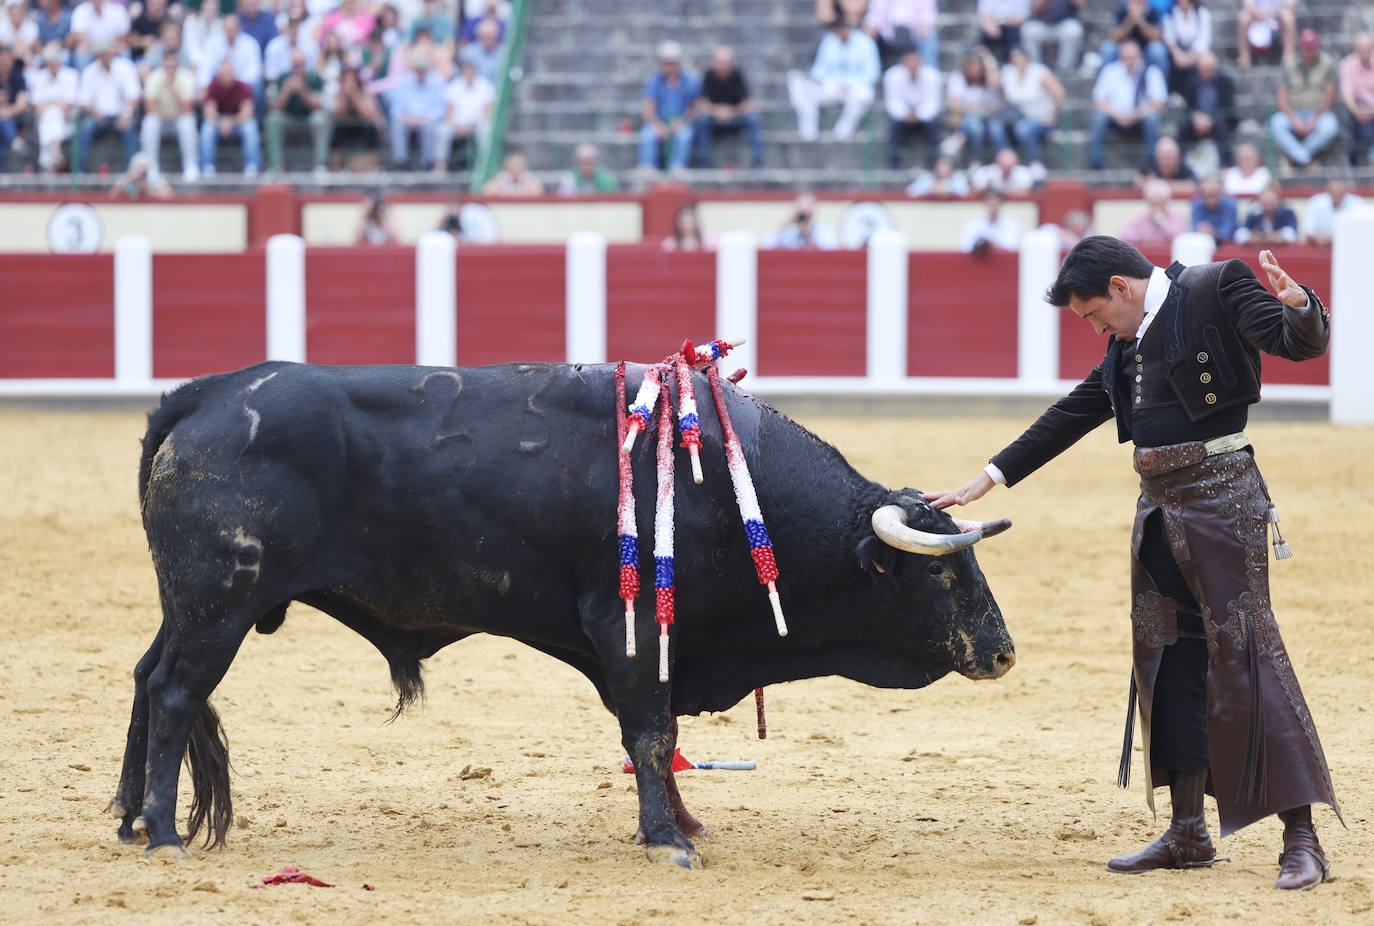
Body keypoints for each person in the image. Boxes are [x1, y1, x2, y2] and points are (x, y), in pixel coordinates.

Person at [926, 234, 1339, 892]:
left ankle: (1302, 838)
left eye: (1093, 314)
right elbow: (1075, 411)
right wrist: (987, 478)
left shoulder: (1217, 285)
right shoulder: (1126, 342)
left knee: (1247, 652)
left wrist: (1302, 308)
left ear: (1120, 287)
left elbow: (1296, 342)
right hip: (1158, 507)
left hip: (1223, 500)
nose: (1095, 327)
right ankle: (1188, 832)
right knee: (1167, 658)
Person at [787, 16, 880, 141]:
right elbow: (818, 69)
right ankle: (808, 134)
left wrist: (850, 83)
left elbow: (872, 72)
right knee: (798, 84)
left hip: (855, 88)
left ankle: (842, 132)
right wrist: (833, 82)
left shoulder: (865, 42)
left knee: (864, 95)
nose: (838, 34)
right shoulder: (829, 41)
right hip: (831, 87)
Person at [1267, 29, 1339, 171]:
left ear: (1318, 46)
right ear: (1301, 47)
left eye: (1312, 47)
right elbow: (1281, 96)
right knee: (1275, 124)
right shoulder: (1289, 63)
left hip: (1318, 113)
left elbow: (1330, 94)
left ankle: (1294, 159)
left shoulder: (1327, 63)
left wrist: (1314, 118)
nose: (1309, 50)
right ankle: (1306, 161)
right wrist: (1294, 119)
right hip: (1293, 112)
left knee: (1330, 126)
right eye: (1306, 47)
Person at [1089, 39, 1166, 171]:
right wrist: (1117, 114)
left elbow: (1158, 103)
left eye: (1132, 58)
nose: (1129, 61)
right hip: (1114, 116)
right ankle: (1095, 164)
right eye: (1125, 58)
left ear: (1140, 57)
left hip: (1140, 117)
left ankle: (1152, 164)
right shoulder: (1110, 71)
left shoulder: (1151, 72)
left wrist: (1135, 115)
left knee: (1153, 119)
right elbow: (1099, 100)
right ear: (1120, 57)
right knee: (1098, 117)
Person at [75, 39, 140, 173]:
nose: (104, 56)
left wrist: (126, 115)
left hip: (122, 116)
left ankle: (131, 175)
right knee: (86, 127)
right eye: (101, 54)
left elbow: (134, 96)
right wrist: (95, 112)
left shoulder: (125, 68)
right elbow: (84, 100)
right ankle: (80, 174)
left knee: (129, 129)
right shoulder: (90, 71)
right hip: (98, 118)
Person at [693, 44, 763, 168]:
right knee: (701, 120)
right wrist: (717, 111)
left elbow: (747, 103)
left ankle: (757, 162)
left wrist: (731, 112)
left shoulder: (737, 75)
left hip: (735, 118)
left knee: (754, 119)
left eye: (726, 63)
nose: (723, 67)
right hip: (714, 118)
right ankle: (704, 162)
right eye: (721, 63)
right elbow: (702, 102)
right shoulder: (709, 76)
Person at [999, 43, 1063, 177]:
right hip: (1019, 116)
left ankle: (1036, 162)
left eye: (1019, 56)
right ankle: (1005, 160)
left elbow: (1059, 93)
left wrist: (1052, 116)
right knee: (996, 125)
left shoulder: (1038, 72)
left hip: (1041, 117)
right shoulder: (1008, 72)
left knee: (1023, 128)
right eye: (1014, 57)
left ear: (1026, 57)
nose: (1016, 60)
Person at [265, 47, 330, 175]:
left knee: (321, 118)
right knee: (272, 119)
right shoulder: (283, 77)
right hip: (288, 118)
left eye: (300, 64)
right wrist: (285, 92)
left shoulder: (314, 77)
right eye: (295, 65)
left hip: (309, 118)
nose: (297, 68)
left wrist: (302, 91)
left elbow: (318, 105)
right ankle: (276, 166)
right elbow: (274, 107)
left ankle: (320, 165)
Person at [140, 47, 198, 182]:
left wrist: (172, 87)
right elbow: (149, 107)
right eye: (168, 65)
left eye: (173, 66)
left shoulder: (186, 77)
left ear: (178, 64)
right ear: (163, 64)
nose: (170, 69)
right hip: (162, 119)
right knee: (150, 122)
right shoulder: (154, 77)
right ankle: (151, 167)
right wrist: (166, 114)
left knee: (187, 122)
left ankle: (190, 166)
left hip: (179, 119)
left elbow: (187, 108)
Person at [638, 39, 698, 169]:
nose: (670, 67)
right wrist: (657, 125)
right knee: (647, 135)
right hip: (659, 122)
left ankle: (678, 167)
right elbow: (648, 109)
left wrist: (680, 122)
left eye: (673, 63)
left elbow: (693, 110)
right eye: (667, 63)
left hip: (681, 123)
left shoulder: (689, 82)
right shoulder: (654, 81)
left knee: (684, 135)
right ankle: (647, 168)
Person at [944, 46, 1009, 166]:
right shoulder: (958, 77)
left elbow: (998, 97)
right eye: (972, 65)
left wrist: (989, 59)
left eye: (978, 65)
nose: (976, 69)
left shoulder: (988, 78)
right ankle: (975, 160)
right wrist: (973, 107)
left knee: (996, 128)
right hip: (966, 117)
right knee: (975, 125)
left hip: (991, 116)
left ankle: (1005, 160)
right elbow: (953, 104)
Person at [882, 45, 943, 170]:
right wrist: (906, 114)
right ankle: (894, 167)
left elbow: (933, 104)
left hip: (925, 117)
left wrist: (918, 114)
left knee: (934, 127)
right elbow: (892, 103)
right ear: (903, 63)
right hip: (902, 118)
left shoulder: (932, 76)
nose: (913, 68)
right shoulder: (892, 76)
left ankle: (933, 166)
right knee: (893, 127)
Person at [199, 56, 261, 176]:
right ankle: (207, 167)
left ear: (234, 73)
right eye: (224, 72)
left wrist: (230, 122)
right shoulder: (213, 86)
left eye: (229, 72)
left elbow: (247, 112)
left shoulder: (243, 87)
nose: (227, 75)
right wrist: (222, 121)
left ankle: (252, 166)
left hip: (238, 123)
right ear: (218, 74)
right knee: (207, 128)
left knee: (250, 126)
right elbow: (209, 113)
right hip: (218, 123)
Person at [387, 47, 446, 170]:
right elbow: (395, 108)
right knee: (397, 125)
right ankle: (400, 162)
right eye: (418, 69)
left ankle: (427, 163)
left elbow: (439, 110)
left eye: (423, 70)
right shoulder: (404, 81)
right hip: (407, 118)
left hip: (427, 119)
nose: (420, 73)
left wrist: (422, 119)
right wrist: (408, 118)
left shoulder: (437, 82)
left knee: (429, 127)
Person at [434, 56, 494, 172]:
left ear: (476, 71)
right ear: (462, 71)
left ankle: (484, 164)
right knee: (442, 130)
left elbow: (487, 113)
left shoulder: (486, 86)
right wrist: (458, 126)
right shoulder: (453, 87)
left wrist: (473, 126)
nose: (469, 73)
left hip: (478, 124)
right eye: (466, 70)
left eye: (471, 69)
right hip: (456, 124)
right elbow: (449, 113)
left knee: (486, 130)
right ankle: (440, 165)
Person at [1177, 50, 1234, 169]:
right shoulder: (1192, 82)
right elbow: (1188, 107)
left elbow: (1228, 107)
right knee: (1183, 126)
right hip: (1197, 119)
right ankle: (1179, 164)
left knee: (1221, 125)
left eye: (1209, 69)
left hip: (1218, 118)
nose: (1206, 73)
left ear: (1214, 68)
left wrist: (1210, 119)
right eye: (1203, 69)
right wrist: (1195, 118)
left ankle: (1225, 165)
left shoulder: (1225, 82)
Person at [29, 42, 77, 172]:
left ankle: (47, 165)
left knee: (52, 114)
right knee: (51, 115)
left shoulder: (71, 75)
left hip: (67, 122)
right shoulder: (39, 77)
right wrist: (55, 104)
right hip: (44, 122)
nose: (53, 64)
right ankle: (55, 153)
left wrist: (50, 104)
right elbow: (38, 109)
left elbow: (67, 106)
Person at [329, 67, 384, 171]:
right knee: (336, 130)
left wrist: (354, 95)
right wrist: (345, 98)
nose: (349, 83)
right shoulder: (338, 93)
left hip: (362, 127)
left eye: (352, 79)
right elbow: (336, 115)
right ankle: (335, 169)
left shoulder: (364, 92)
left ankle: (375, 167)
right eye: (346, 80)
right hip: (344, 127)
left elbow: (367, 115)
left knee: (371, 128)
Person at [862, 0, 938, 70]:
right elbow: (875, 14)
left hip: (912, 32)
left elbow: (928, 13)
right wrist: (871, 26)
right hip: (887, 32)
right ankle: (873, 75)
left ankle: (929, 74)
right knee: (865, 37)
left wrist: (923, 25)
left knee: (929, 34)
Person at [1100, 0, 1170, 76]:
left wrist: (1141, 21)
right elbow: (1114, 38)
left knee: (1157, 50)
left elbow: (1157, 38)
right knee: (1108, 48)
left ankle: (1160, 85)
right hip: (1124, 49)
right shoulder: (1122, 12)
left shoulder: (1152, 12)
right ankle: (1104, 83)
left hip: (1145, 51)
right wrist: (1130, 20)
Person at [1119, 177, 1188, 247]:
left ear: (1167, 201)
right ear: (1147, 201)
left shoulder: (1177, 217)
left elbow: (1180, 239)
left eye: (1160, 203)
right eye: (1153, 203)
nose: (1156, 208)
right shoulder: (1139, 217)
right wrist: (1140, 239)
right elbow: (1124, 237)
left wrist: (1162, 223)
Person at [1021, 0, 1085, 74]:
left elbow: (1080, 5)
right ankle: (1035, 69)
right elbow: (1034, 8)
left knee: (1073, 31)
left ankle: (1065, 69)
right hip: (1043, 24)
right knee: (1029, 30)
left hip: (1064, 23)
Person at [1161, 0, 1211, 95]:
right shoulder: (1170, 14)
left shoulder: (1202, 13)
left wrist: (1190, 56)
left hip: (1196, 54)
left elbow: (1203, 39)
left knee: (1206, 61)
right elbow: (1169, 39)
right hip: (1176, 55)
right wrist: (1179, 55)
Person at [1339, 32, 1374, 167]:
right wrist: (1357, 111)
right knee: (1363, 127)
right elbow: (1347, 93)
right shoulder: (1347, 64)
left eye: (1368, 49)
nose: (1365, 52)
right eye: (1362, 48)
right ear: (1356, 49)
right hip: (1358, 111)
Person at [1301, 175, 1366, 246]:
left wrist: (1335, 238)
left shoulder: (1358, 203)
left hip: (1350, 247)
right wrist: (1318, 237)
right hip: (1320, 248)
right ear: (1328, 191)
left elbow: (1362, 231)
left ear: (1346, 190)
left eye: (1340, 192)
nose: (1337, 195)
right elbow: (1308, 229)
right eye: (1334, 192)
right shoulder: (1316, 202)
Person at [69, 0, 129, 69]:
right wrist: (88, 43)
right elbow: (78, 34)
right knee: (81, 51)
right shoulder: (80, 10)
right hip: (91, 47)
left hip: (112, 46)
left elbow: (124, 35)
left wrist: (111, 45)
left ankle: (126, 77)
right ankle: (83, 78)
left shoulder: (118, 10)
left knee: (124, 50)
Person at [765, 192, 839, 249]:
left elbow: (829, 251)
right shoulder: (788, 230)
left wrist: (808, 235)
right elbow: (768, 245)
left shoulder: (824, 229)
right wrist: (786, 224)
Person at [1234, 180, 1297, 246]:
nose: (1268, 207)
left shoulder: (1287, 212)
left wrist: (1274, 237)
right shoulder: (1254, 213)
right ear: (1259, 201)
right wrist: (1254, 238)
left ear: (1277, 200)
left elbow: (1292, 235)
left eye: (1271, 202)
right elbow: (1241, 233)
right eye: (1265, 203)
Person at [960, 187, 1022, 254]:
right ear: (985, 202)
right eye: (990, 199)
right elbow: (965, 246)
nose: (993, 202)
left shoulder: (1012, 224)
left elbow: (1012, 247)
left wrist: (991, 244)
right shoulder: (972, 224)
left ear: (1001, 202)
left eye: (996, 199)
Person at [1236, 0, 1295, 70]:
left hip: (1278, 20)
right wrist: (1258, 13)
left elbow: (1291, 3)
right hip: (1256, 20)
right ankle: (1244, 58)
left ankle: (1288, 59)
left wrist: (1274, 13)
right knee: (1244, 17)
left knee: (1288, 17)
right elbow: (1248, 4)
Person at [0, 45, 27, 170]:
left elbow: (22, 104)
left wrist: (6, 112)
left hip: (15, 120)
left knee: (5, 121)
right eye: (2, 59)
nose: (5, 62)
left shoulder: (18, 77)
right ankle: (15, 142)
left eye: (8, 59)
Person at [1190, 175, 1238, 244]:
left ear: (1221, 193)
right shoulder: (1197, 203)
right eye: (1204, 195)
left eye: (1212, 195)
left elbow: (1227, 233)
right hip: (1202, 244)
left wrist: (1212, 232)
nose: (1209, 199)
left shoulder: (1230, 204)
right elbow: (1195, 228)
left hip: (1227, 246)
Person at [970, 146, 1035, 194]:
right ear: (997, 162)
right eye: (1004, 167)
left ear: (1016, 163)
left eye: (1010, 167)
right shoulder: (987, 171)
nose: (1007, 170)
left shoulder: (1023, 172)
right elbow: (973, 190)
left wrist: (998, 189)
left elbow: (1027, 191)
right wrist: (986, 186)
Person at [904, 153, 971, 197]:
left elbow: (966, 192)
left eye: (946, 165)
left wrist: (946, 186)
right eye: (940, 165)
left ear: (952, 168)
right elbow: (910, 191)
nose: (942, 169)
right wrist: (931, 188)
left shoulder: (958, 176)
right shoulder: (927, 177)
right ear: (935, 168)